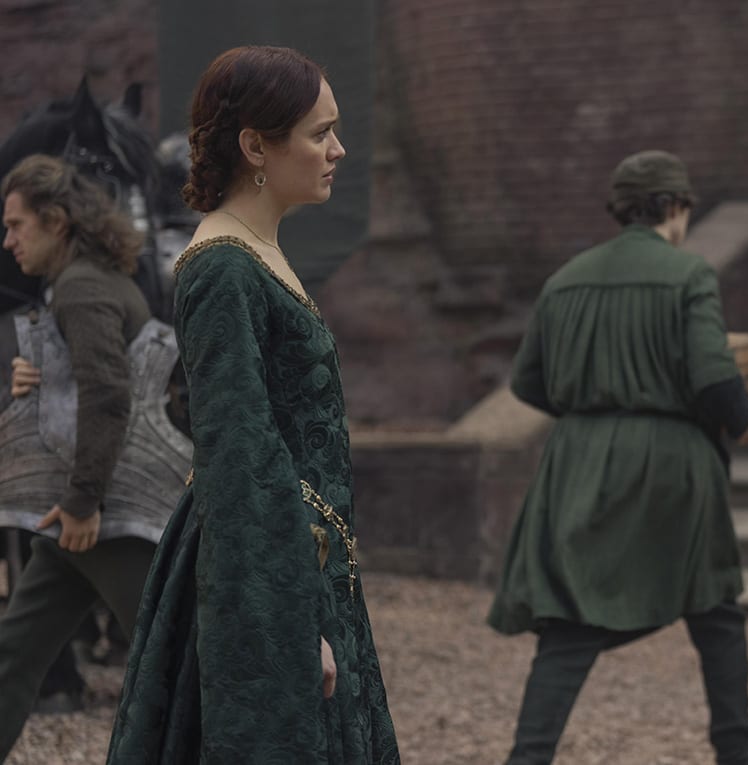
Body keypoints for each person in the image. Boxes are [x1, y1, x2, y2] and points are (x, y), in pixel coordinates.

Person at [105, 46, 399, 763]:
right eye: (319, 133)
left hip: (303, 554)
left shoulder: (257, 251)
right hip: (264, 564)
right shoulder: (222, 269)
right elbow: (238, 451)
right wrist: (290, 622)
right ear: (256, 146)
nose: (338, 149)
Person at [487, 150, 748, 765]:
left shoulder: (566, 279)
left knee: (571, 622)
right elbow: (713, 377)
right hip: (673, 464)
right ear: (677, 206)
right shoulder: (688, 274)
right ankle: (736, 755)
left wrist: (591, 407)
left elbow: (528, 382)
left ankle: (528, 757)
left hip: (579, 463)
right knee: (714, 610)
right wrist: (745, 415)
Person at [0, 153, 160, 755]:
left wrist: (84, 501)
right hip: (81, 515)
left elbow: (110, 394)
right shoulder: (87, 281)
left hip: (110, 516)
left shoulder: (82, 288)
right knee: (13, 654)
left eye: (16, 225)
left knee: (176, 663)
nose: (8, 240)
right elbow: (96, 376)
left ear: (56, 220)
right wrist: (38, 374)